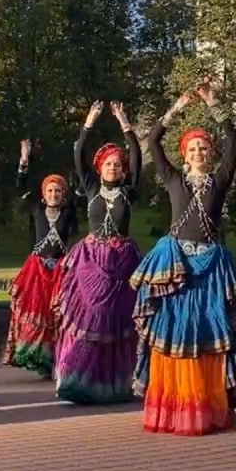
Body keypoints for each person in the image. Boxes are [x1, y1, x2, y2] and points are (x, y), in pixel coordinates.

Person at [131, 85, 236, 436]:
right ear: (185, 155)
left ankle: (207, 405)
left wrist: (216, 104)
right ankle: (174, 407)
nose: (199, 151)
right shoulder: (173, 179)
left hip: (212, 268)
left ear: (210, 155)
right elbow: (153, 142)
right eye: (193, 148)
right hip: (175, 267)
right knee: (173, 333)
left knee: (209, 333)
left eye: (204, 148)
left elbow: (234, 141)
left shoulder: (220, 180)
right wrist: (176, 108)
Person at [53, 101, 142, 403]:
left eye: (118, 164)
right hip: (91, 261)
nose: (113, 167)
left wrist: (124, 122)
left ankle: (116, 385)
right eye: (108, 164)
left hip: (123, 263)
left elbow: (139, 155)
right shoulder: (90, 188)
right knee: (92, 318)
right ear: (100, 168)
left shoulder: (129, 191)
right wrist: (88, 123)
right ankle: (81, 380)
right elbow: (78, 154)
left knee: (118, 321)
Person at [3, 138, 79, 377]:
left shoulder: (69, 211)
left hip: (60, 270)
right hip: (37, 270)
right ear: (43, 194)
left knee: (59, 314)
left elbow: (86, 189)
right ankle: (39, 359)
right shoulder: (36, 209)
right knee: (37, 315)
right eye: (50, 191)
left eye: (58, 191)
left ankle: (58, 359)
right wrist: (24, 160)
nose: (54, 194)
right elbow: (19, 188)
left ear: (63, 194)